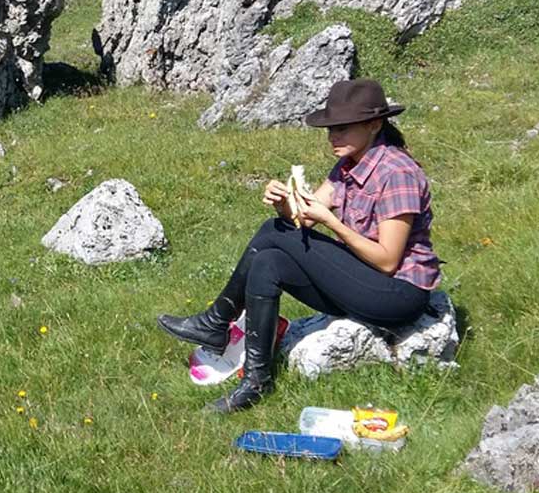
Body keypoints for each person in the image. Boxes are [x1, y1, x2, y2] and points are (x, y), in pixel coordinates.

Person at [158, 79, 442, 412]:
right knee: (269, 262)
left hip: (398, 296)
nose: (333, 136)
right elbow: (302, 219)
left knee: (273, 234)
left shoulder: (397, 172)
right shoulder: (348, 165)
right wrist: (282, 203)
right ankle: (255, 380)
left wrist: (332, 222)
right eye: (330, 129)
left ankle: (216, 323)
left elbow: (387, 262)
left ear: (374, 124)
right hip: (361, 283)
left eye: (342, 128)